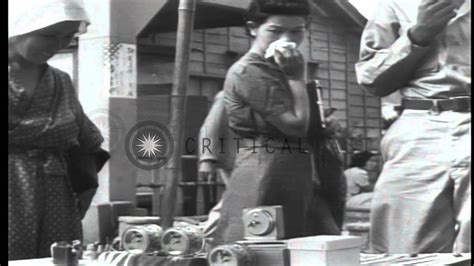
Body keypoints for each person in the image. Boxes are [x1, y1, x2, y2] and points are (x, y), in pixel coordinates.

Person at [212, 0, 340, 245]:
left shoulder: (278, 66)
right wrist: (296, 78)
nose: (287, 39)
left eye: (296, 30)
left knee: (305, 246)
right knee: (264, 245)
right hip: (267, 169)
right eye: (275, 30)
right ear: (253, 28)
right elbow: (296, 125)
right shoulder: (250, 70)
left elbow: (308, 123)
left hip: (295, 168)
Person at [356, 0, 470, 253]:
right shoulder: (395, 4)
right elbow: (372, 80)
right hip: (418, 127)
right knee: (405, 244)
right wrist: (417, 36)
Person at [9, 0, 106, 259]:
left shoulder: (61, 81)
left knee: (56, 258)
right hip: (11, 190)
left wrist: (86, 188)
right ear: (19, 26)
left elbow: (87, 140)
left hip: (55, 193)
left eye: (68, 36)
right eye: (49, 35)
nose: (58, 45)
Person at [198, 90, 237, 237]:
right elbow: (209, 127)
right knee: (231, 201)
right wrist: (207, 159)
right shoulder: (226, 96)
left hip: (246, 157)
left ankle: (205, 236)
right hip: (234, 159)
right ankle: (204, 237)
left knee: (233, 201)